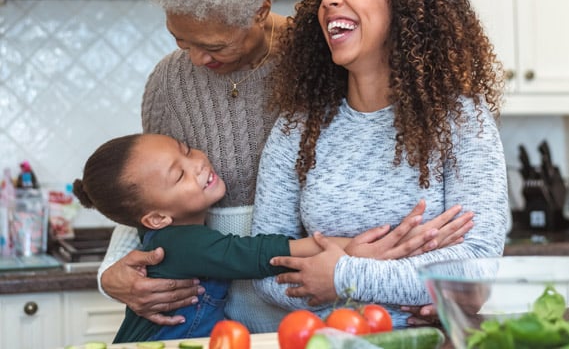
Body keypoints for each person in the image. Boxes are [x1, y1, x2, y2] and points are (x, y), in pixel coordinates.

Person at [97, 0, 475, 333]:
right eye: (181, 41)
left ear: (259, 9)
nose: (196, 59)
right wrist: (111, 271)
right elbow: (145, 190)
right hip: (217, 315)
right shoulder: (168, 85)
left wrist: (423, 290)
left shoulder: (324, 60)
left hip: (318, 306)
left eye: (214, 45)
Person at [251, 0, 509, 328]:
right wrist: (413, 268)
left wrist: (342, 272)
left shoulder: (460, 119)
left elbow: (475, 268)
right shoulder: (297, 126)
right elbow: (264, 269)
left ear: (402, 6)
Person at [76, 133, 434, 341]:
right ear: (156, 217)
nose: (198, 164)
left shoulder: (166, 234)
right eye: (179, 174)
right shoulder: (183, 244)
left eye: (186, 150)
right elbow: (263, 254)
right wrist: (350, 250)